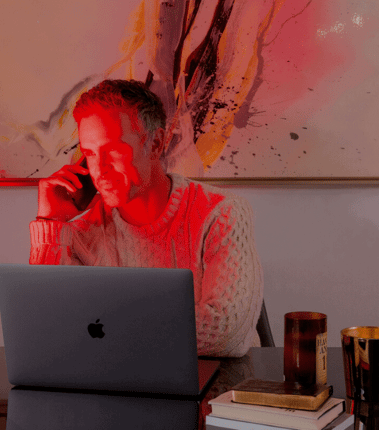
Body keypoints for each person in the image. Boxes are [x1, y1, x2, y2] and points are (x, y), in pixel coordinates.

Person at [30, 79, 263, 358]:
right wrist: (51, 222)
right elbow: (45, 328)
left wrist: (106, 324)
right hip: (115, 384)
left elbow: (225, 333)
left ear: (155, 144)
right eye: (90, 154)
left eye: (114, 150)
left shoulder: (221, 213)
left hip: (215, 386)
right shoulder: (80, 233)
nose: (99, 170)